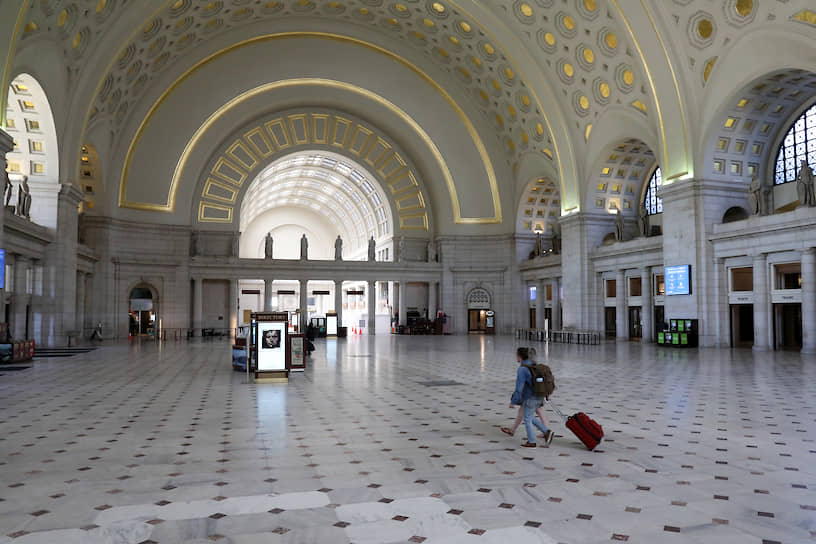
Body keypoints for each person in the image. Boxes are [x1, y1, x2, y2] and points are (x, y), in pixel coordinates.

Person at [508, 347, 553, 448]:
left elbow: (519, 389)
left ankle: (532, 441)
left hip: (530, 397)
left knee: (527, 418)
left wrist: (513, 401)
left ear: (520, 356)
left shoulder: (522, 369)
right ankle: (546, 432)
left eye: (516, 355)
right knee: (528, 416)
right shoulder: (536, 365)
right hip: (540, 395)